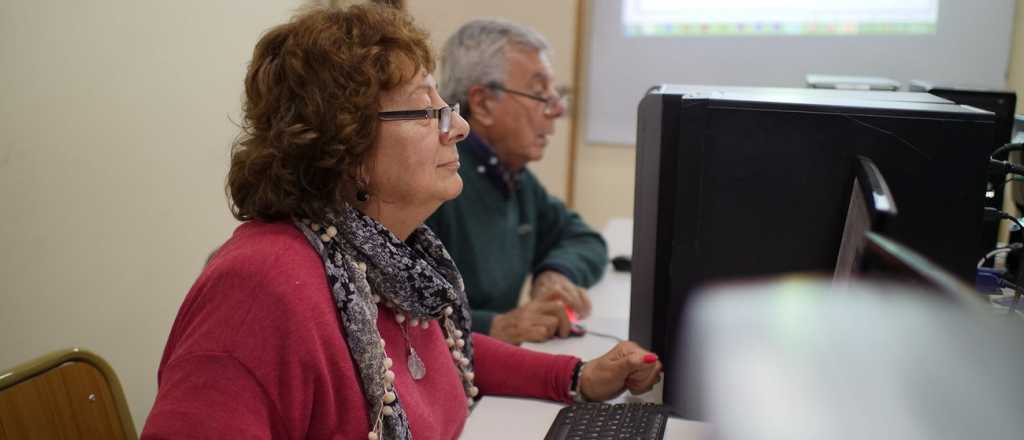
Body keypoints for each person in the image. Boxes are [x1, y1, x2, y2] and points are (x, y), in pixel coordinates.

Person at [141, 5, 660, 440]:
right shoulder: (257, 290)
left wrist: (579, 377)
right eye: (424, 110)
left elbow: (448, 349)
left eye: (445, 104)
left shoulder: (383, 259)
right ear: (346, 146)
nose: (456, 126)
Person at [425, 19, 608, 345]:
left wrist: (557, 273)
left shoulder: (513, 175)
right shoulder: (434, 182)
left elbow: (585, 238)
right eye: (540, 94)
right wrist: (494, 327)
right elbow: (392, 316)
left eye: (556, 93)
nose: (558, 109)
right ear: (482, 104)